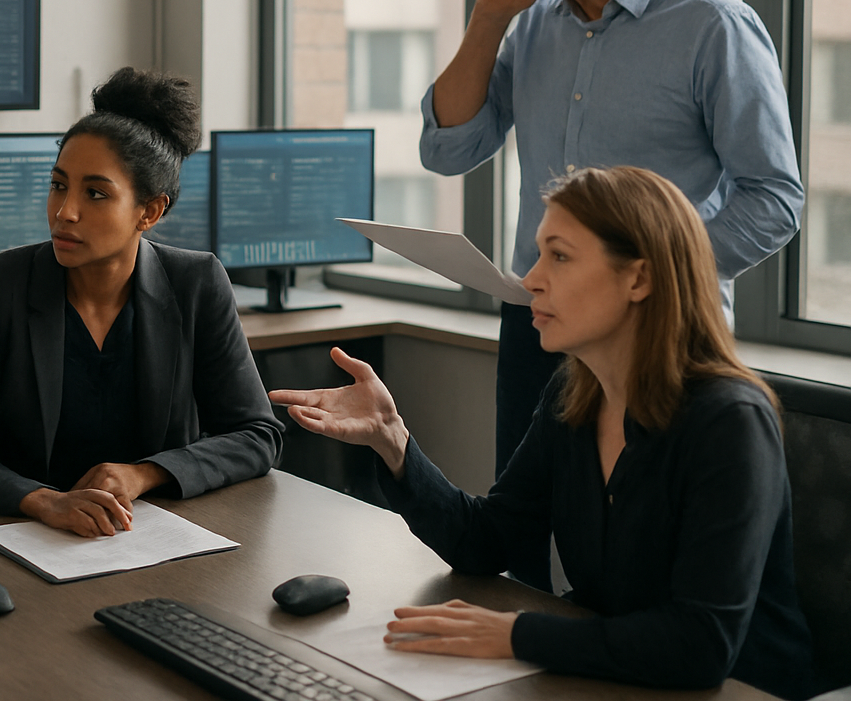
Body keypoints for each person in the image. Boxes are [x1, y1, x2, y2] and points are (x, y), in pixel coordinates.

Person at [270, 166, 815, 700]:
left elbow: (701, 646)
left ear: (640, 278)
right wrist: (392, 439)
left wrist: (515, 635)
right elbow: (485, 541)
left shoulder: (730, 421)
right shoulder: (573, 396)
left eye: (559, 255)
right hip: (608, 672)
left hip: (738, 688)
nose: (531, 278)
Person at [419, 0, 803, 478]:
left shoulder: (713, 28)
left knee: (645, 542)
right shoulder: (531, 22)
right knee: (522, 532)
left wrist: (647, 279)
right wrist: (488, 18)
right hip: (537, 325)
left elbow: (774, 198)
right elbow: (448, 150)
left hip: (658, 335)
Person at [0, 67, 283, 536]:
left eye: (95, 194)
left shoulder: (196, 282)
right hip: (23, 535)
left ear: (149, 211)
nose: (64, 212)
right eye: (58, 185)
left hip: (144, 537)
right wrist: (44, 502)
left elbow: (257, 437)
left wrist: (144, 473)